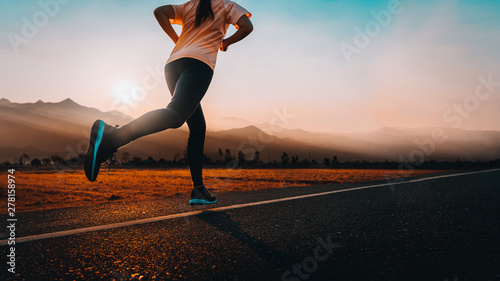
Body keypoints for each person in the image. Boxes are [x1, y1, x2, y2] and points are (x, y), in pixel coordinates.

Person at [84, 0, 253, 205]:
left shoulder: (191, 5)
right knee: (176, 115)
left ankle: (198, 189)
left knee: (198, 127)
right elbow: (246, 27)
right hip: (199, 64)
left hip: (174, 64)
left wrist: (178, 40)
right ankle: (115, 136)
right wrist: (225, 43)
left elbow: (160, 12)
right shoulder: (227, 6)